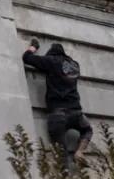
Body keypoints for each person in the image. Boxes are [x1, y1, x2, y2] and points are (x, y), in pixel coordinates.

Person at [22, 38, 92, 172]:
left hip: (58, 115)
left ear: (52, 54)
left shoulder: (51, 61)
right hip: (76, 113)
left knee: (62, 158)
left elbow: (27, 58)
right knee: (87, 130)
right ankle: (79, 152)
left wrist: (33, 47)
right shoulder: (75, 65)